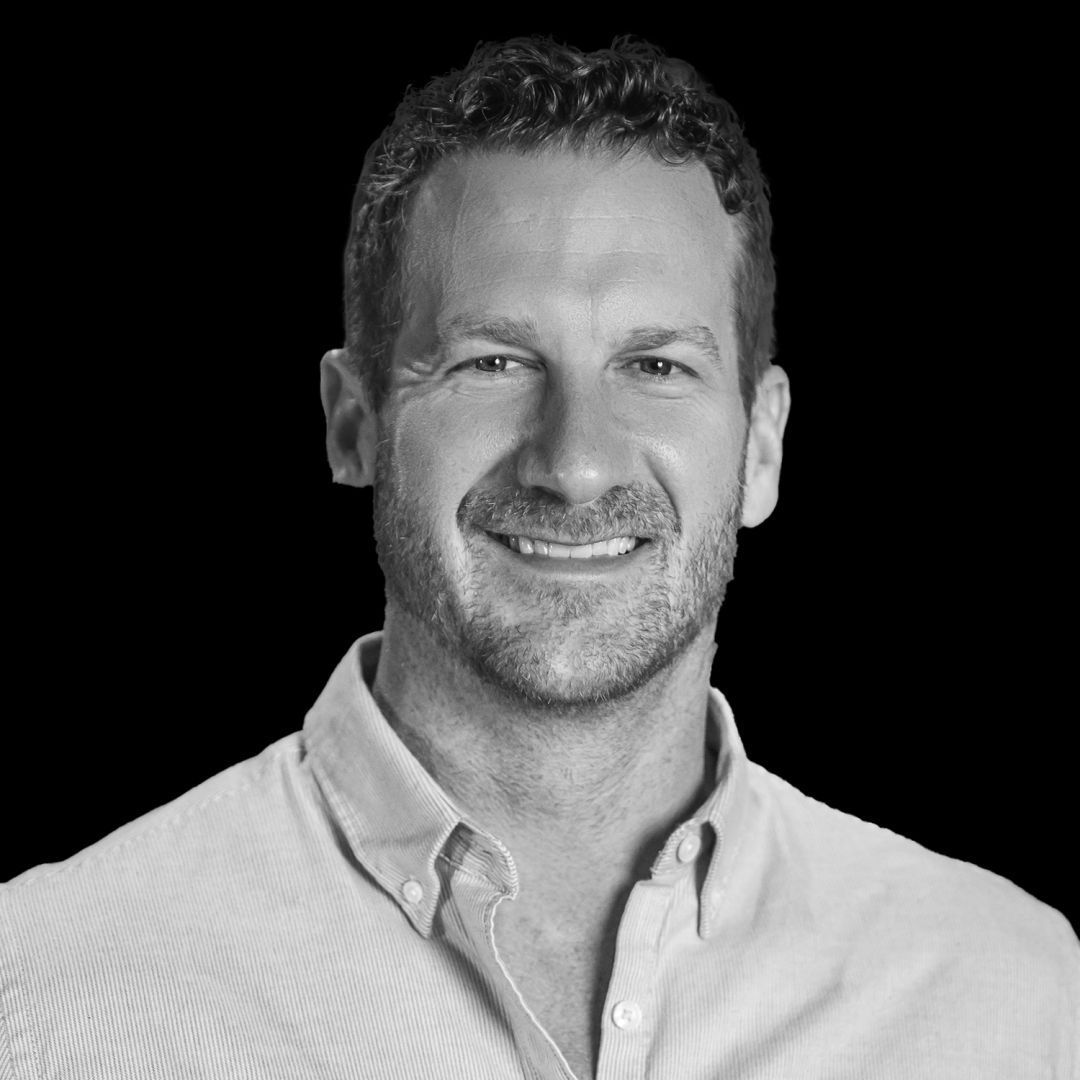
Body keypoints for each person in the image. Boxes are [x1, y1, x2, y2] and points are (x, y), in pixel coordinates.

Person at [1, 35, 1075, 1080]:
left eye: (655, 365)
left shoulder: (1020, 996)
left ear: (761, 447)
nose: (576, 465)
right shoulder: (42, 994)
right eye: (493, 362)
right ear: (353, 422)